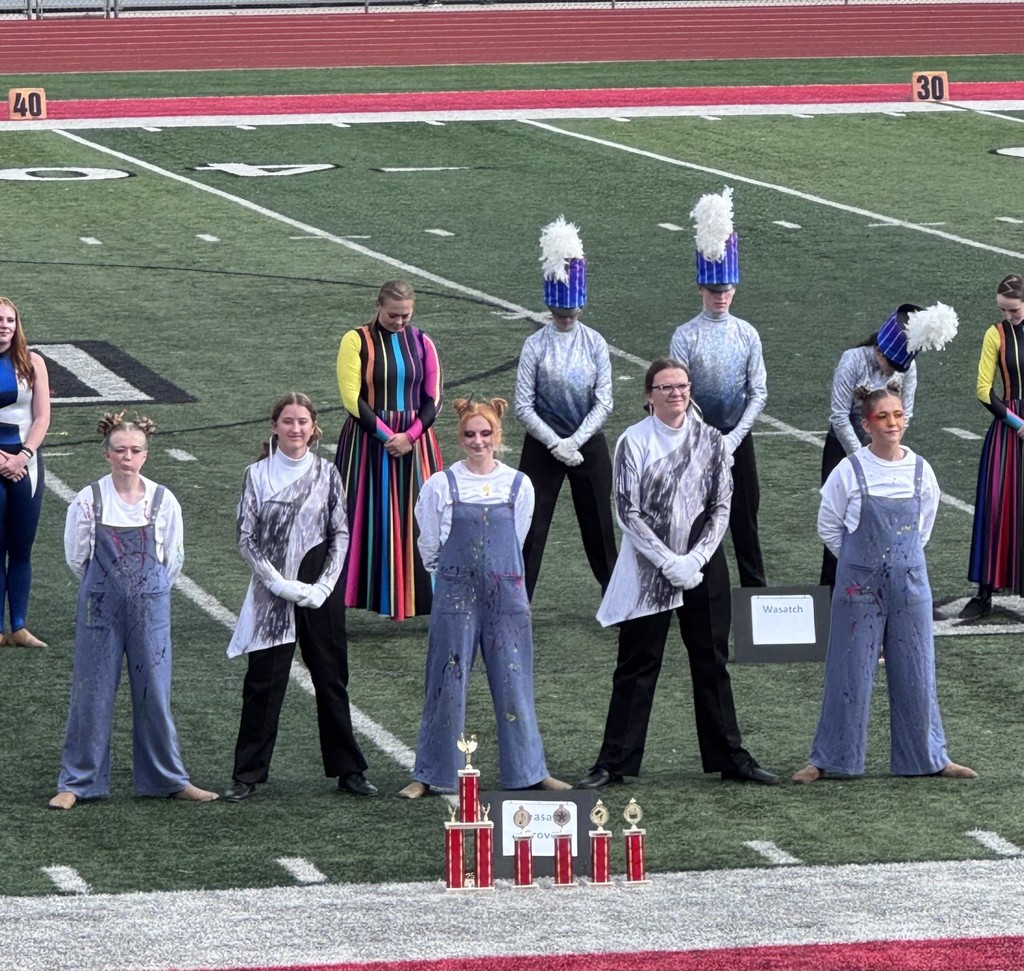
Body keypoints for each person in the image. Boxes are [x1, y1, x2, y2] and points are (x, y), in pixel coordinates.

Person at [577, 359, 779, 790]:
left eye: (682, 386)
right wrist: (668, 560)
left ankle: (730, 756)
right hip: (649, 567)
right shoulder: (633, 441)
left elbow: (722, 506)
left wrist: (696, 559)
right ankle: (613, 761)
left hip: (703, 567)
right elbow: (626, 510)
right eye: (666, 387)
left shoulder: (712, 440)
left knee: (712, 659)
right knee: (637, 662)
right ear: (649, 395)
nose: (676, 393)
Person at [793, 386, 976, 784]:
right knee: (848, 671)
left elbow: (923, 527)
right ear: (866, 424)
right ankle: (829, 759)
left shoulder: (921, 470)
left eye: (898, 415)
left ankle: (930, 757)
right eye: (883, 416)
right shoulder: (849, 471)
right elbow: (829, 526)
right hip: (858, 588)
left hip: (910, 586)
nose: (892, 423)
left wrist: (898, 562)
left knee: (917, 669)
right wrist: (859, 563)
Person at [397, 397, 569, 797]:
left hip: (507, 595)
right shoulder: (441, 485)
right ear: (460, 438)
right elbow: (429, 544)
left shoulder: (519, 484)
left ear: (498, 435)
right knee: (446, 680)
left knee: (515, 680)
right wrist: (451, 577)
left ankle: (530, 771)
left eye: (485, 433)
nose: (478, 441)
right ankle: (431, 774)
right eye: (470, 434)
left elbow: (518, 538)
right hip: (455, 594)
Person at [51, 412, 217, 809]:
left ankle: (169, 778)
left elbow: (173, 558)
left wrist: (145, 591)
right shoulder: (88, 499)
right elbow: (77, 556)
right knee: (91, 693)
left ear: (145, 455)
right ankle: (77, 782)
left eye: (135, 450)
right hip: (100, 609)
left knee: (154, 693)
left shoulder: (163, 500)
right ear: (107, 454)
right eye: (120, 450)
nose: (127, 457)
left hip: (151, 608)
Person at [225, 393, 376, 801]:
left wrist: (325, 586)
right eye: (288, 421)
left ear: (313, 428)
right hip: (271, 589)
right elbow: (245, 537)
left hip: (319, 588)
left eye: (302, 421)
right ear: (274, 426)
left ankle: (349, 770)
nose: (295, 428)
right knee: (263, 682)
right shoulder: (256, 474)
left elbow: (340, 533)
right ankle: (247, 773)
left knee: (331, 677)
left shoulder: (328, 473)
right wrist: (276, 583)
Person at [669, 188, 767, 587]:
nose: (720, 297)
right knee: (698, 520)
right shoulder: (685, 335)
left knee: (745, 521)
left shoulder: (747, 334)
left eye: (726, 290)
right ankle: (703, 596)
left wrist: (733, 439)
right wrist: (709, 440)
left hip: (737, 439)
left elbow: (758, 392)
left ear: (735, 289)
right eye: (713, 291)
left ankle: (756, 598)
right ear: (700, 288)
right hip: (696, 441)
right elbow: (680, 395)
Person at [515, 217, 617, 600]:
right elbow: (523, 404)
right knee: (530, 528)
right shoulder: (535, 345)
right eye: (561, 315)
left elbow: (604, 400)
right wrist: (555, 442)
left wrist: (575, 440)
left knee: (600, 527)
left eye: (572, 314)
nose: (567, 320)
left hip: (587, 444)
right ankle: (518, 603)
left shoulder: (595, 343)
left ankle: (616, 601)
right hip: (543, 445)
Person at [335, 280, 443, 620]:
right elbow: (351, 398)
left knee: (423, 518)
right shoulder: (355, 340)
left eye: (405, 315)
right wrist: (387, 436)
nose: (399, 321)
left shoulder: (423, 342)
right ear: (378, 305)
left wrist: (409, 436)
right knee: (361, 518)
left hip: (415, 444)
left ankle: (423, 599)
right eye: (393, 315)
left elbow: (433, 398)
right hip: (367, 445)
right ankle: (346, 598)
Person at [819, 306, 920, 589]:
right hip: (844, 449)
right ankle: (833, 594)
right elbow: (839, 416)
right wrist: (861, 458)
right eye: (889, 363)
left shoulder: (908, 368)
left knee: (883, 522)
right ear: (878, 350)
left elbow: (906, 414)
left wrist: (885, 452)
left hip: (885, 451)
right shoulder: (852, 360)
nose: (892, 371)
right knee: (842, 521)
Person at [961, 274, 1024, 620]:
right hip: (1007, 429)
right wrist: (1017, 424)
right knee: (996, 506)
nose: (1008, 316)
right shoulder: (994, 334)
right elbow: (984, 391)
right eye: (1003, 310)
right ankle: (984, 593)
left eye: (1013, 310)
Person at [0, 296, 50, 649]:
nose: (4, 326)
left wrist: (24, 456)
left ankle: (18, 626)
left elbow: (42, 416)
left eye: (9, 320)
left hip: (26, 464)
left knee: (21, 546)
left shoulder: (33, 362)